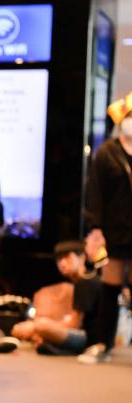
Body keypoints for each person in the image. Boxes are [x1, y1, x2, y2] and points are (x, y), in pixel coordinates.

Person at [80, 91, 132, 364]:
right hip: (114, 230)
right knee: (109, 288)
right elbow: (96, 193)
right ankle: (102, 342)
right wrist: (95, 228)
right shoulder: (107, 152)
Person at [12, 240, 101, 355]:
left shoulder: (85, 281)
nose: (62, 263)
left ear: (82, 257)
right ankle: (48, 341)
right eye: (59, 259)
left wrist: (35, 327)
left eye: (67, 257)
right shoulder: (82, 280)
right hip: (85, 335)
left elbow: (75, 324)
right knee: (38, 326)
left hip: (90, 340)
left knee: (41, 324)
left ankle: (49, 341)